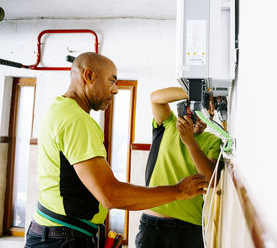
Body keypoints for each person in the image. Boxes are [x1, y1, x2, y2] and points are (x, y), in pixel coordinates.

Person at [25, 52, 208, 248]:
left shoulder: (59, 109)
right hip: (62, 239)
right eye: (111, 81)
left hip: (58, 233)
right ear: (88, 76)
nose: (115, 90)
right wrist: (178, 191)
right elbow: (111, 195)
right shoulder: (77, 121)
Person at [135, 87, 222, 248]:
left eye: (209, 115)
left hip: (189, 228)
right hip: (153, 225)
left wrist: (190, 142)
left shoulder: (213, 141)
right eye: (199, 112)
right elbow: (155, 97)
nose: (204, 120)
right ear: (187, 109)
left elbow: (212, 180)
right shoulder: (168, 124)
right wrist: (198, 93)